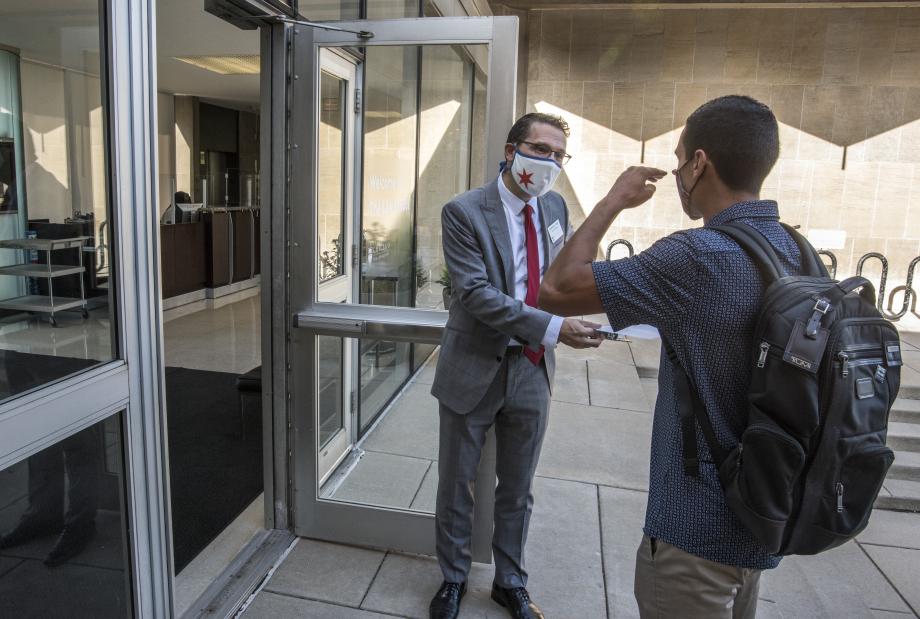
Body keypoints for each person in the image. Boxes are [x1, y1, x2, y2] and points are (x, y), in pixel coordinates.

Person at [539, 95, 792, 618]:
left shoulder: (697, 256)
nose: (677, 172)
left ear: (699, 164)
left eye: (680, 159)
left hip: (695, 533)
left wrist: (611, 201)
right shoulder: (795, 249)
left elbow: (557, 289)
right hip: (765, 520)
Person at [429, 112, 603, 619]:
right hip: (474, 365)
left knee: (519, 485)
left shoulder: (553, 206)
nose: (548, 162)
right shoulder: (462, 212)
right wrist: (553, 329)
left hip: (531, 367)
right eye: (539, 149)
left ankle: (510, 580)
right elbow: (476, 294)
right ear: (511, 151)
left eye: (557, 154)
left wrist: (588, 311)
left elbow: (558, 279)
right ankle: (454, 579)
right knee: (456, 482)